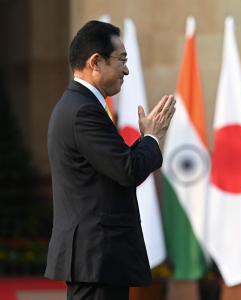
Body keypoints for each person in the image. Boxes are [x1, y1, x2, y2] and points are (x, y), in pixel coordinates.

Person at [45, 20, 176, 300]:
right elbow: (127, 169)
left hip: (99, 259)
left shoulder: (80, 105)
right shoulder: (83, 111)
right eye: (121, 60)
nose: (126, 69)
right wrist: (151, 138)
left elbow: (115, 165)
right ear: (96, 61)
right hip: (97, 259)